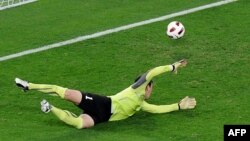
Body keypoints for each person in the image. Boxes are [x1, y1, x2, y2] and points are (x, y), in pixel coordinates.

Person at [15, 59, 196, 129]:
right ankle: (28, 86)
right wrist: (172, 67)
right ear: (146, 87)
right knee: (66, 93)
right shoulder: (136, 89)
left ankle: (49, 108)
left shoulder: (141, 104)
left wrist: (178, 106)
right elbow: (152, 73)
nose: (151, 90)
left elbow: (157, 109)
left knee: (79, 124)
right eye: (151, 87)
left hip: (102, 118)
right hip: (102, 104)